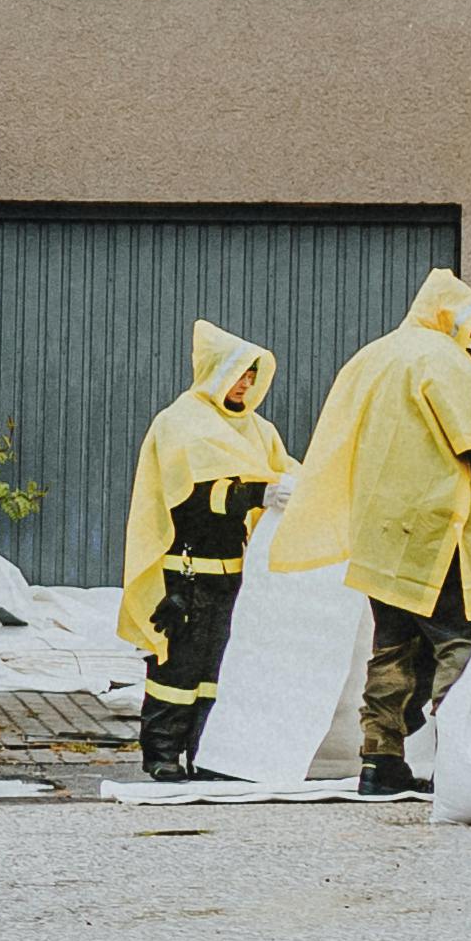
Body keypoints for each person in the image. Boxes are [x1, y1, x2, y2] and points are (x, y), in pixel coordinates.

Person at [267, 271, 471, 797]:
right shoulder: (444, 361)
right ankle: (460, 762)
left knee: (392, 647)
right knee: (459, 641)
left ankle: (379, 760)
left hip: (381, 528)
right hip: (436, 526)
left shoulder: (377, 354)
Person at [116, 320, 287, 780]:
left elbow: (283, 472)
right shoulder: (180, 422)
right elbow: (189, 498)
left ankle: (208, 754)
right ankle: (161, 754)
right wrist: (257, 494)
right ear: (215, 372)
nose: (245, 385)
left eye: (251, 376)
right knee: (177, 667)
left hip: (235, 573)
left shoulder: (257, 430)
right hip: (185, 573)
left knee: (220, 669)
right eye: (238, 375)